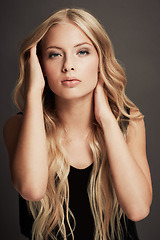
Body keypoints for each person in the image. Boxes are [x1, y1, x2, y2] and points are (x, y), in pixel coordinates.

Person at [3, 8, 152, 240]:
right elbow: (32, 189)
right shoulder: (17, 127)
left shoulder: (129, 122)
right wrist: (33, 93)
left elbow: (139, 209)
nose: (68, 66)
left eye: (82, 52)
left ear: (100, 60)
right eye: (55, 54)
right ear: (39, 65)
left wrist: (106, 120)